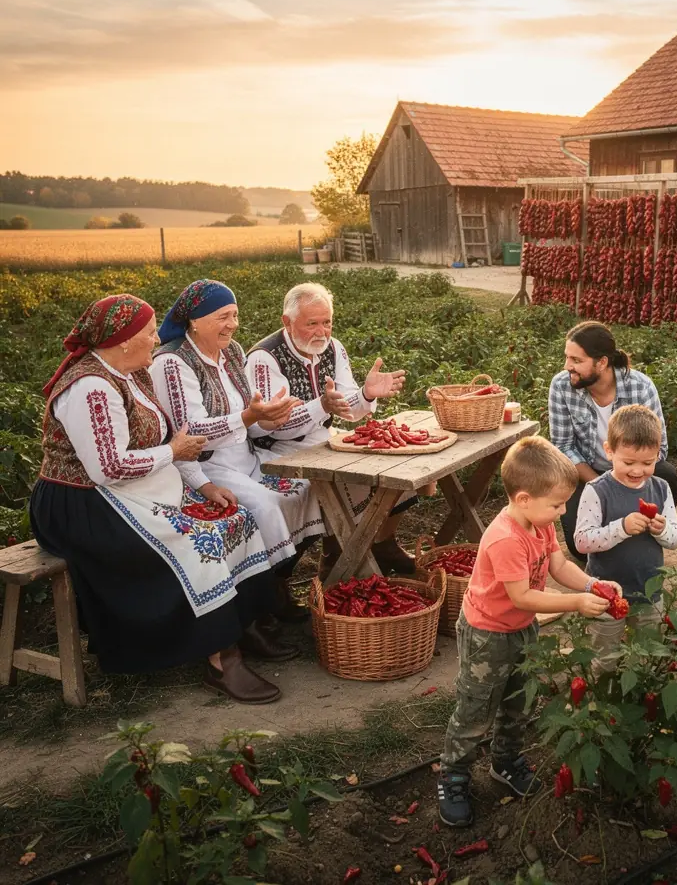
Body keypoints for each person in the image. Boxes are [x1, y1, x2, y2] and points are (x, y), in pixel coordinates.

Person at [31, 294, 289, 704]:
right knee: (199, 543)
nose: (157, 339)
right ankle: (222, 657)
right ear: (123, 340)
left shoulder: (133, 373)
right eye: (150, 333)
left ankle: (243, 626)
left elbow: (172, 440)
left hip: (132, 490)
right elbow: (109, 467)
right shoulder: (90, 387)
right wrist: (172, 453)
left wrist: (203, 485)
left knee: (236, 519)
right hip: (82, 505)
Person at [436, 436, 620, 828]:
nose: (563, 511)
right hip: (487, 635)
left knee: (519, 699)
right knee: (476, 708)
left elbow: (559, 566)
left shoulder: (540, 523)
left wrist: (592, 585)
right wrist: (575, 603)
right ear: (523, 499)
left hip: (522, 629)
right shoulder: (505, 538)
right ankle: (453, 775)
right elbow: (521, 596)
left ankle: (506, 761)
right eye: (557, 504)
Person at [152, 279, 324, 621]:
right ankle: (259, 608)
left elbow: (251, 418)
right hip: (204, 467)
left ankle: (277, 585)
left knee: (307, 486)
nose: (232, 324)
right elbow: (191, 433)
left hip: (246, 456)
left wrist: (270, 419)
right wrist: (249, 417)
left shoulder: (231, 352)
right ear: (194, 320)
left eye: (234, 315)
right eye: (222, 317)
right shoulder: (172, 362)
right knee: (267, 506)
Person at [245, 282, 420, 577]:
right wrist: (321, 406)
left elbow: (346, 407)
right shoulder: (264, 358)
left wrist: (365, 394)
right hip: (277, 453)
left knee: (392, 468)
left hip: (323, 440)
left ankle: (379, 543)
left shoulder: (334, 348)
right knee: (315, 491)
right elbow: (273, 426)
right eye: (311, 323)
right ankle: (312, 565)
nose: (321, 332)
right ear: (287, 322)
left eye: (327, 322)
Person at [549, 321, 677, 560]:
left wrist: (630, 472)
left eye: (576, 360)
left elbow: (659, 448)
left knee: (667, 474)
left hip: (634, 469)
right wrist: (603, 484)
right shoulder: (561, 386)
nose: (567, 366)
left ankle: (651, 531)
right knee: (580, 550)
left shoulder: (640, 386)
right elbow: (563, 447)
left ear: (602, 363)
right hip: (586, 473)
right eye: (567, 357)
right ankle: (617, 530)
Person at [574, 404, 677, 672]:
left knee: (648, 655)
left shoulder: (661, 488)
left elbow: (676, 538)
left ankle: (640, 690)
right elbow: (582, 541)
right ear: (609, 450)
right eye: (628, 462)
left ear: (658, 455)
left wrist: (661, 530)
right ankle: (604, 691)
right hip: (606, 593)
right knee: (604, 656)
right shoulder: (597, 490)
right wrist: (621, 528)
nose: (637, 471)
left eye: (647, 463)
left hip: (649, 591)